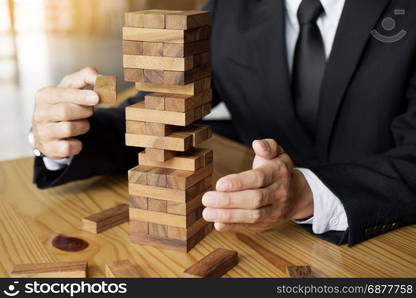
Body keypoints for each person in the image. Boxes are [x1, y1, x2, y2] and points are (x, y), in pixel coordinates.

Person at [31, 0, 416, 245]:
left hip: (388, 239)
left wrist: (307, 193)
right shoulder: (228, 8)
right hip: (256, 242)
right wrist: (69, 133)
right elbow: (161, 110)